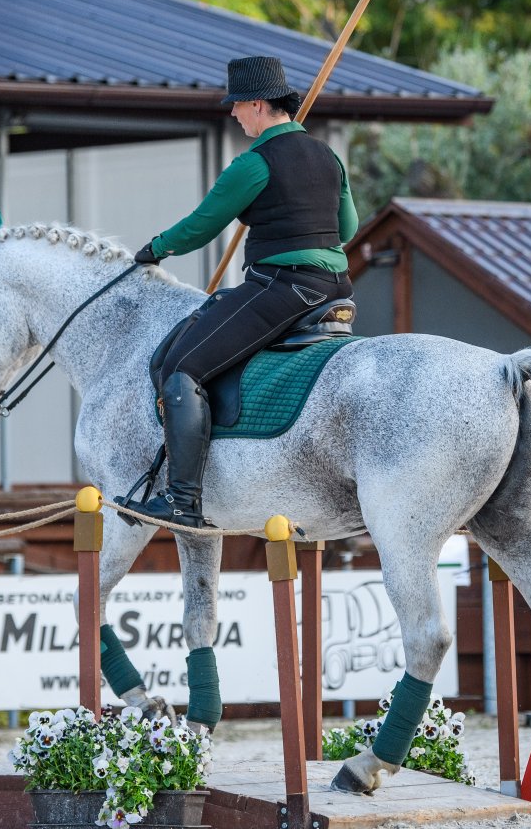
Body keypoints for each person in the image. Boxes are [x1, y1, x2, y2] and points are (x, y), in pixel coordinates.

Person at [114, 55, 358, 528]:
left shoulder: (252, 165)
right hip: (335, 290)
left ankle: (183, 500)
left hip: (283, 287)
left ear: (259, 105)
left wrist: (153, 250)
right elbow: (346, 226)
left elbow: (202, 227)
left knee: (182, 367)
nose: (232, 114)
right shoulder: (329, 157)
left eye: (237, 105)